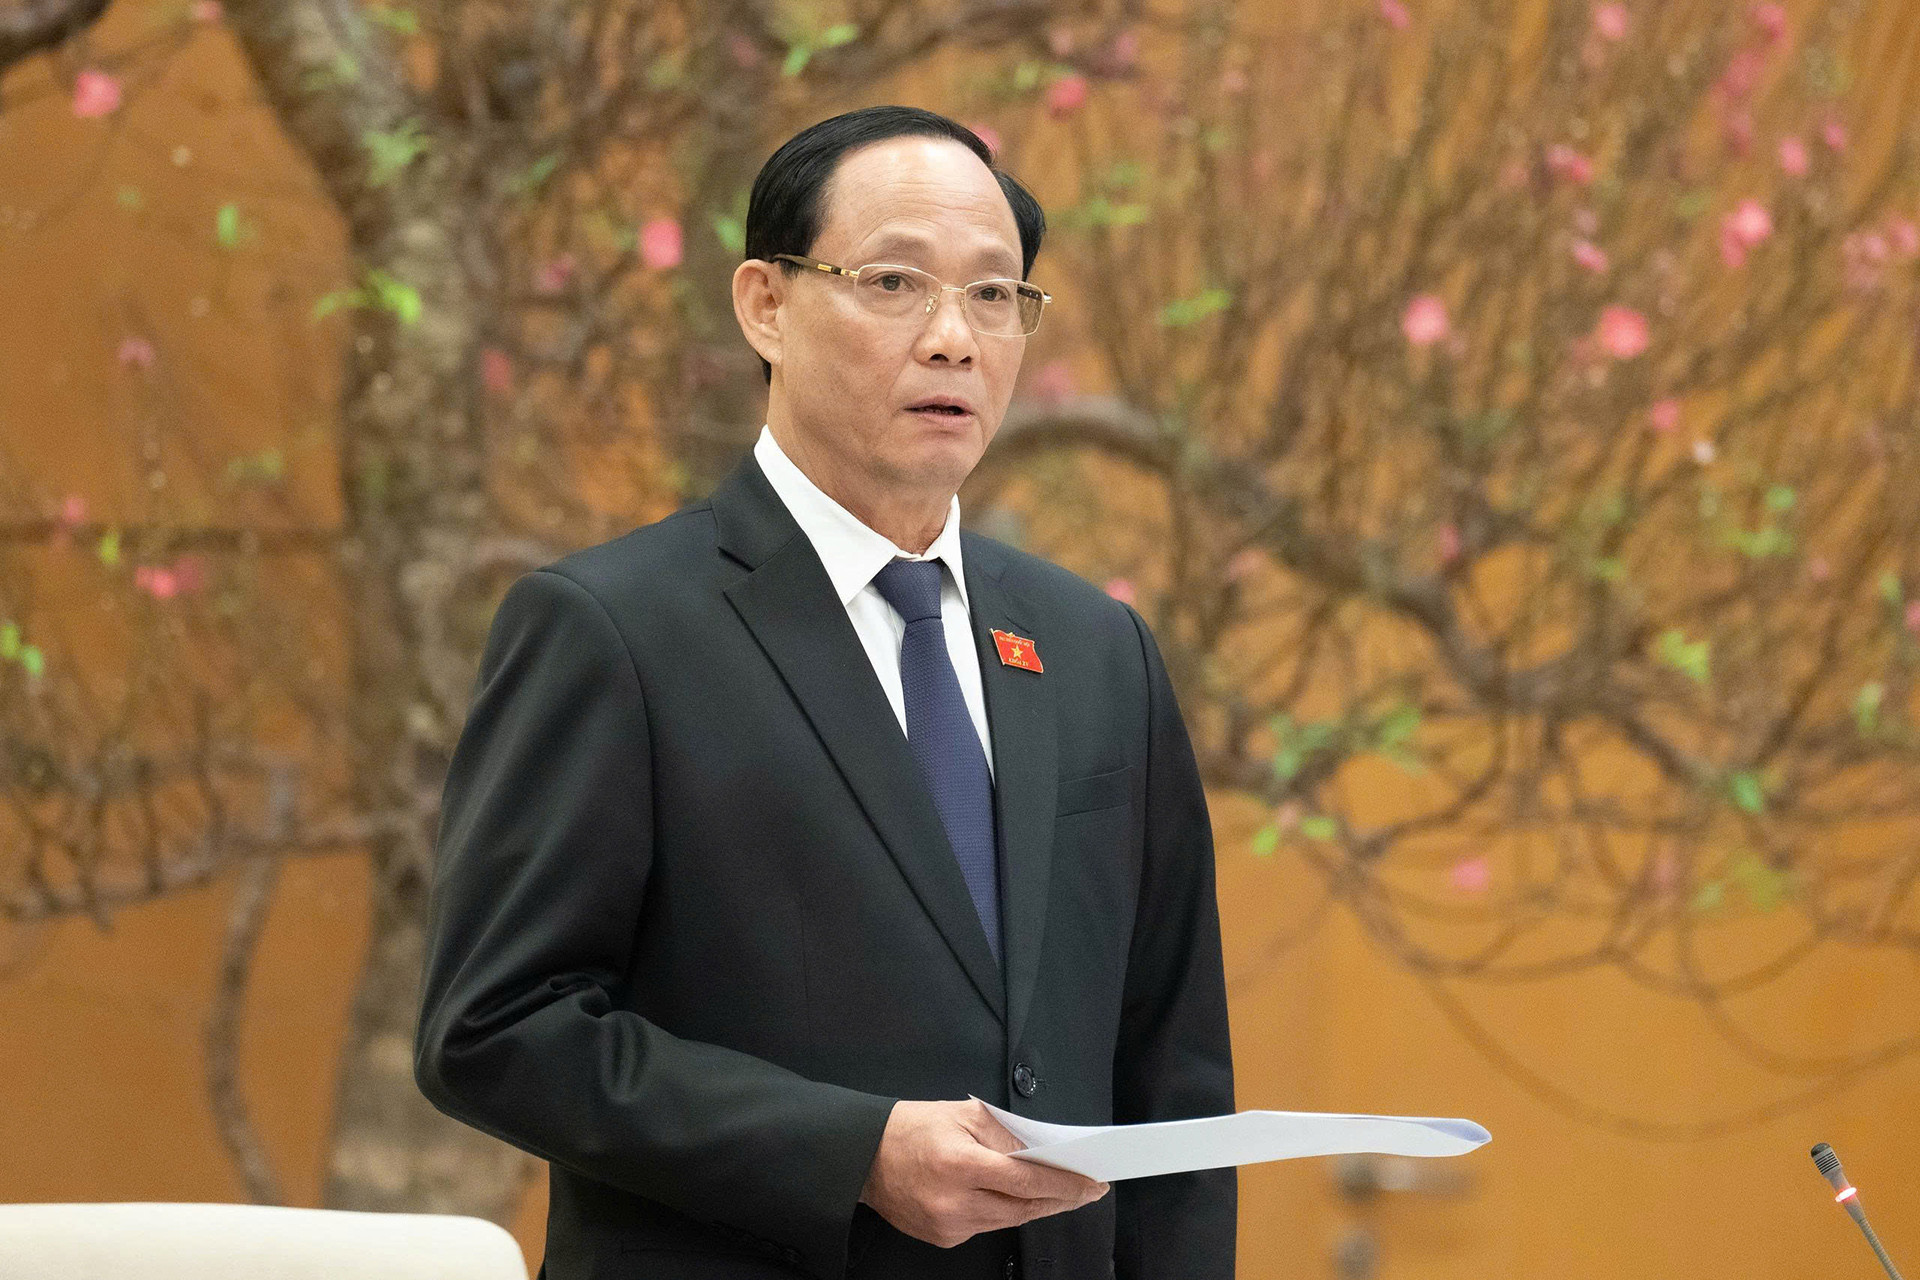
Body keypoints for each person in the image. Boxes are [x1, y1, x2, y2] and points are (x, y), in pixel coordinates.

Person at [414, 104, 1235, 1280]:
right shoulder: (615, 629)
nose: (954, 339)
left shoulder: (1098, 649)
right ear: (766, 304)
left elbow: (1173, 1075)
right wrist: (849, 1150)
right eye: (895, 282)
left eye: (993, 294)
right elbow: (494, 1027)